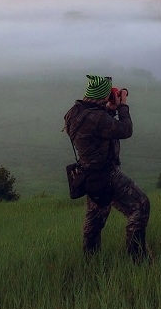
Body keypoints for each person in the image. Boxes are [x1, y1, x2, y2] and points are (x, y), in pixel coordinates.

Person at [63, 74, 150, 262]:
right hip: (106, 174)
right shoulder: (97, 117)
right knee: (141, 205)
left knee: (95, 221)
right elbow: (125, 130)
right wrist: (123, 106)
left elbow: (98, 131)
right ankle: (137, 258)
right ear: (102, 95)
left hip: (89, 175)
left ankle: (91, 261)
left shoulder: (75, 112)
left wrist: (109, 110)